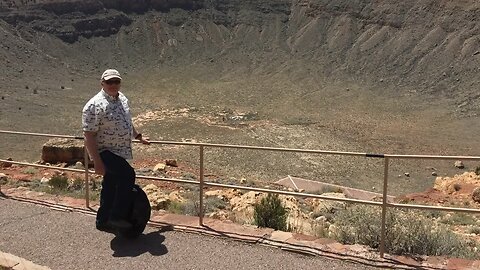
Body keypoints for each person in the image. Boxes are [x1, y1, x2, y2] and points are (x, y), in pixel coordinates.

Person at [82, 69, 149, 232]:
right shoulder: (94, 105)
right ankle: (117, 216)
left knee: (111, 184)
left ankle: (102, 220)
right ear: (102, 83)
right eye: (109, 82)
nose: (113, 85)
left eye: (116, 82)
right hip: (105, 151)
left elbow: (126, 121)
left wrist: (138, 136)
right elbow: (88, 136)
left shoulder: (122, 99)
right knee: (128, 175)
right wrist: (96, 162)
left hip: (119, 151)